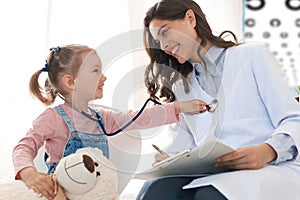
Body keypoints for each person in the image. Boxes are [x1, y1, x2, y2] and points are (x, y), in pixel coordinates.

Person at [137, 0, 300, 199]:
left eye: (165, 32)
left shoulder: (252, 56)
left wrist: (267, 151)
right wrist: (168, 159)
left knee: (209, 195)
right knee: (155, 190)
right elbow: (184, 144)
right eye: (157, 41)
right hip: (214, 171)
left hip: (269, 167)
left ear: (190, 18)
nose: (163, 46)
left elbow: (294, 119)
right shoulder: (183, 87)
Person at [12, 44, 207, 200]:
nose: (104, 77)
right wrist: (29, 173)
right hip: (63, 193)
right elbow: (23, 146)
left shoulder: (101, 117)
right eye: (96, 71)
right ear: (71, 82)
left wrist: (178, 107)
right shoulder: (52, 118)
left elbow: (138, 118)